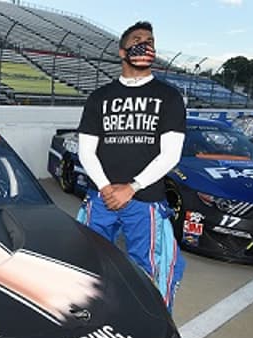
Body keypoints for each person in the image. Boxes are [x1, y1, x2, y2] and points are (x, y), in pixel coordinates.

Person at [75, 21, 186, 313]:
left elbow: (170, 154)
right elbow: (87, 151)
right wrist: (106, 188)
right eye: (138, 39)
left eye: (150, 40)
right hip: (101, 198)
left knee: (150, 271)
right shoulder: (99, 97)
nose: (146, 45)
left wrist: (132, 187)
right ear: (122, 51)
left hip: (145, 200)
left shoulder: (169, 96)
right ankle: (92, 318)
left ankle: (150, 325)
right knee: (88, 264)